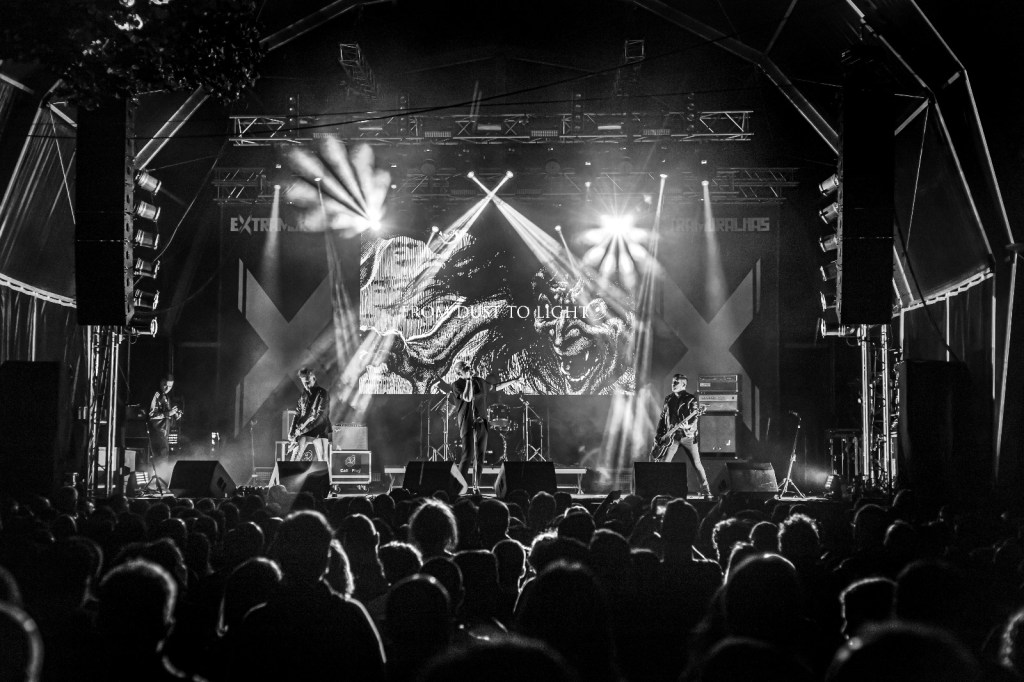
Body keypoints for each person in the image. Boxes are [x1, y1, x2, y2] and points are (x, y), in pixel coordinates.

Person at [652, 374, 711, 498]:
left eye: (676, 382)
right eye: (673, 382)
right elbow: (663, 418)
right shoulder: (668, 399)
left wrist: (687, 426)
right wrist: (659, 434)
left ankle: (706, 490)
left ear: (683, 384)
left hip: (688, 436)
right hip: (671, 437)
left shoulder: (691, 399)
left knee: (697, 463)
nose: (673, 384)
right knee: (664, 463)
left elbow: (695, 417)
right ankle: (660, 490)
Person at [288, 367, 331, 461]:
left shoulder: (323, 394)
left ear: (314, 379)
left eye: (308, 382)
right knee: (295, 457)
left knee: (322, 459)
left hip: (319, 431)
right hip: (304, 432)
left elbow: (322, 416)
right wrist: (292, 429)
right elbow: (297, 413)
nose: (306, 385)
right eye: (304, 383)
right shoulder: (303, 396)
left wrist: (305, 429)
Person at [148, 375, 181, 461]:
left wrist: (175, 414)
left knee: (164, 456)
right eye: (165, 385)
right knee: (159, 457)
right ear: (161, 382)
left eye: (170, 386)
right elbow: (152, 415)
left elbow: (167, 414)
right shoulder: (156, 395)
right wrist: (169, 413)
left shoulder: (166, 397)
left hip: (164, 433)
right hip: (156, 433)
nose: (167, 388)